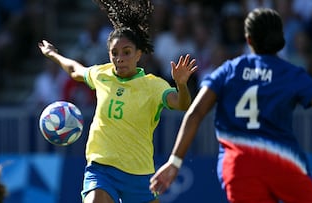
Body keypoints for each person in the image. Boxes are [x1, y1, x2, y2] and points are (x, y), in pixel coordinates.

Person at [150, 8, 312, 203]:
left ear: (248, 40)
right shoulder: (291, 74)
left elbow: (195, 113)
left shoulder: (229, 70)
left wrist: (174, 161)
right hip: (282, 163)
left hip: (239, 166)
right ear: (280, 39)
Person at [37, 0, 197, 202]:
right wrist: (53, 54)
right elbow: (75, 70)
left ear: (139, 54)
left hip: (139, 174)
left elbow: (183, 105)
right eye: (114, 53)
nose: (120, 58)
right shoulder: (102, 74)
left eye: (126, 52)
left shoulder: (153, 86)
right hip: (101, 168)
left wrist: (181, 85)